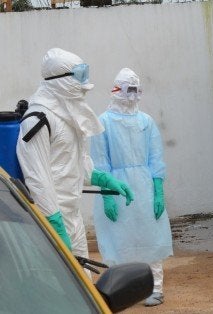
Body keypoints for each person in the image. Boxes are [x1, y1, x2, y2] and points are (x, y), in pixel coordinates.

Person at [17, 48, 134, 263]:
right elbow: (37, 177)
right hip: (50, 220)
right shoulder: (37, 119)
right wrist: (53, 223)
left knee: (84, 286)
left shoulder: (67, 116)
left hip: (72, 216)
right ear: (60, 81)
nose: (84, 85)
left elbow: (75, 161)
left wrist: (102, 179)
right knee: (57, 288)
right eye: (79, 76)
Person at [91, 68, 173, 307]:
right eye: (130, 89)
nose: (133, 95)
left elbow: (156, 158)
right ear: (116, 90)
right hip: (115, 186)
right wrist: (107, 195)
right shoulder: (103, 123)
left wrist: (158, 191)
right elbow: (100, 161)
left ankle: (155, 288)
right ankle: (119, 290)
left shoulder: (146, 122)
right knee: (118, 238)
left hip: (145, 186)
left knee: (151, 235)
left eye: (136, 90)